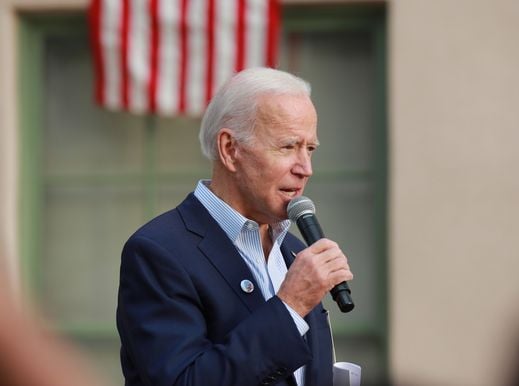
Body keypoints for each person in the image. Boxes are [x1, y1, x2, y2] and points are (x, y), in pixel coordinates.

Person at [116, 67, 354, 386]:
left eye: (309, 149)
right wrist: (290, 306)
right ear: (230, 150)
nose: (305, 168)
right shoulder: (158, 252)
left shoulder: (296, 252)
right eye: (287, 147)